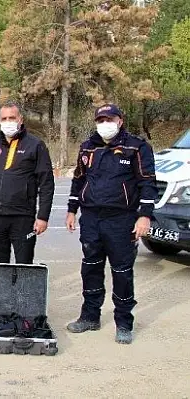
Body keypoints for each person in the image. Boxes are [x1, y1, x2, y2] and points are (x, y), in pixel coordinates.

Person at [65, 103, 157, 345]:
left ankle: (124, 323)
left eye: (110, 119)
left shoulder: (136, 147)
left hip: (121, 219)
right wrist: (71, 210)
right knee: (91, 267)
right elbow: (78, 180)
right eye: (101, 120)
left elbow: (147, 182)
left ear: (120, 120)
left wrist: (145, 215)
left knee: (122, 272)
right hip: (92, 219)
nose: (105, 124)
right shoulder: (87, 147)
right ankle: (90, 317)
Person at [0, 101, 55, 264]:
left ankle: (23, 290)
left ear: (20, 119)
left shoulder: (35, 145)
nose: (8, 122)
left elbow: (46, 183)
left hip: (23, 217)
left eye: (12, 117)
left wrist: (43, 216)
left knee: (24, 265)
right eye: (4, 118)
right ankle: (1, 291)